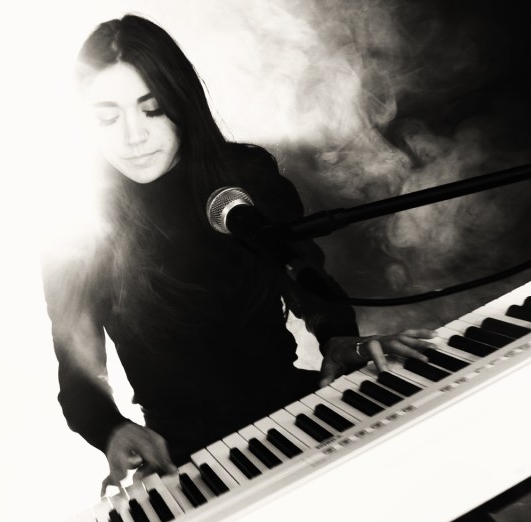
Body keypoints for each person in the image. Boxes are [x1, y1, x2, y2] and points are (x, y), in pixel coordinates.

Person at [41, 14, 437, 495]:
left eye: (153, 109)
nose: (133, 136)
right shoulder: (74, 232)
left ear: (182, 103)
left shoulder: (243, 178)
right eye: (108, 118)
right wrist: (112, 429)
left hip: (297, 412)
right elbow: (79, 377)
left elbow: (305, 277)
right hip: (184, 460)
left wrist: (338, 338)